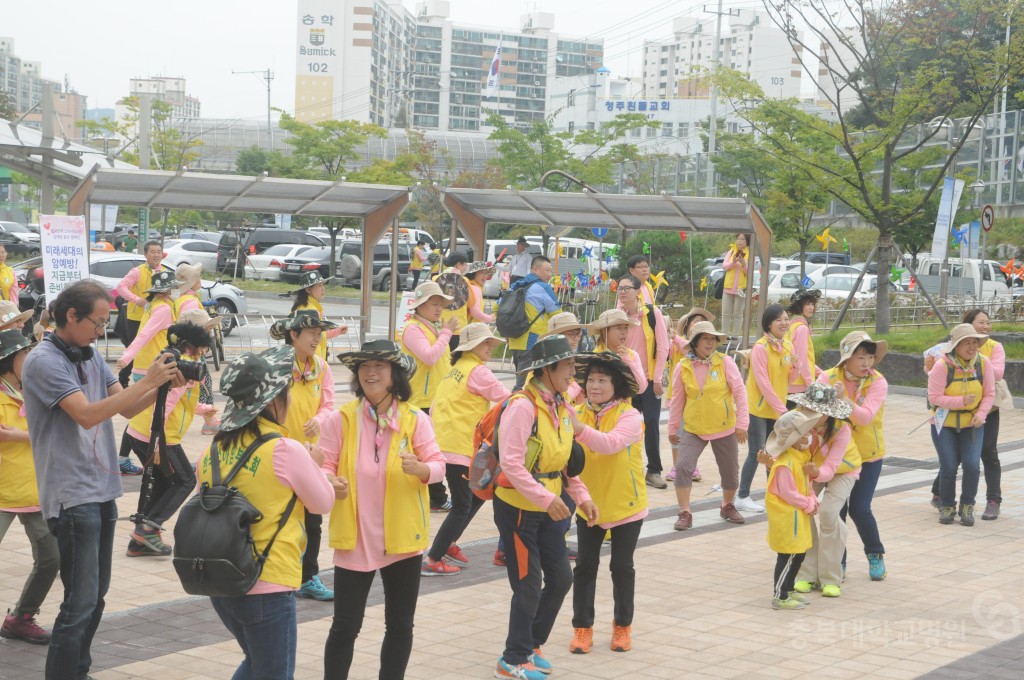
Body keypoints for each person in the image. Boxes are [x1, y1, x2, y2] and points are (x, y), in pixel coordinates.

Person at [22, 280, 181, 680]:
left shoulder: (88, 355)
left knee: (97, 598)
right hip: (71, 496)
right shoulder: (44, 361)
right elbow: (88, 414)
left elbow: (125, 407)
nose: (101, 331)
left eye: (106, 322)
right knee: (79, 601)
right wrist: (147, 381)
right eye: (97, 322)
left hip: (101, 491)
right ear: (70, 316)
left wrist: (163, 383)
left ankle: (79, 670)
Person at [198, 346, 338, 680]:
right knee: (274, 672)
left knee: (256, 664)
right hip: (268, 583)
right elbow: (323, 503)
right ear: (274, 400)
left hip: (221, 581)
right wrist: (316, 467)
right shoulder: (284, 449)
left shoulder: (214, 449)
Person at [320, 340, 445, 680]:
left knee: (401, 625)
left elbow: (438, 464)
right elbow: (324, 465)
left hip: (402, 539)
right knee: (345, 626)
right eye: (364, 367)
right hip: (355, 538)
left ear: (394, 374)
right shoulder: (340, 419)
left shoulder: (415, 419)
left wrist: (423, 470)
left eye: (379, 366)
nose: (370, 372)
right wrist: (329, 480)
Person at [492, 335, 597, 680]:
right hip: (520, 508)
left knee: (561, 577)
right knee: (527, 583)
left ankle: (531, 644)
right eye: (567, 366)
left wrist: (581, 497)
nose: (573, 373)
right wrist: (546, 498)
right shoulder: (522, 406)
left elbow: (565, 464)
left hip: (552, 504)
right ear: (547, 369)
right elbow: (511, 464)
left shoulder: (561, 404)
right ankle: (512, 659)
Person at [566, 352, 644, 654]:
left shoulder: (630, 416)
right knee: (585, 566)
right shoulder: (576, 411)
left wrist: (578, 427)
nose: (595, 385)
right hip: (588, 504)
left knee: (622, 567)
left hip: (627, 504)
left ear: (617, 386)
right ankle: (582, 628)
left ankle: (622, 626)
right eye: (591, 380)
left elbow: (610, 444)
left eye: (602, 380)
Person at [422, 323, 510, 576]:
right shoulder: (478, 371)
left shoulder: (454, 370)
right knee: (462, 504)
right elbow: (507, 398)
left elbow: (435, 406)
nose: (491, 348)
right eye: (486, 343)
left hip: (448, 444)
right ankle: (433, 558)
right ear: (472, 346)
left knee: (478, 495)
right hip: (462, 447)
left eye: (491, 343)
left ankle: (449, 543)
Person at [120, 319, 214, 558]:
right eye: (202, 347)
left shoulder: (168, 359)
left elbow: (179, 400)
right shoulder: (183, 367)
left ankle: (139, 542)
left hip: (138, 432)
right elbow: (167, 402)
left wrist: (203, 409)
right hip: (159, 435)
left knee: (163, 483)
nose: (204, 351)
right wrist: (158, 440)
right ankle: (148, 527)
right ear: (191, 346)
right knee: (184, 480)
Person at [269, 309, 339, 602]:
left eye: (319, 333)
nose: (316, 338)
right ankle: (276, 575)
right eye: (311, 333)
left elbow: (329, 403)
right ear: (294, 335)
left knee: (312, 519)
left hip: (309, 454)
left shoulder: (321, 367)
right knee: (279, 516)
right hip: (278, 452)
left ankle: (308, 577)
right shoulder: (277, 365)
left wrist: (320, 420)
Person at [0, 329, 59, 645]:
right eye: (26, 356)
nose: (33, 361)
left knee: (52, 557)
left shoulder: (36, 391)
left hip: (35, 491)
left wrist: (19, 436)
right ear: (9, 362)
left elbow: (56, 432)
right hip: (2, 492)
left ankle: (21, 617)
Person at [818, 331, 890, 581]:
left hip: (868, 455)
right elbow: (814, 412)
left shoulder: (878, 381)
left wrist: (843, 398)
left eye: (870, 357)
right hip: (836, 456)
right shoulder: (826, 377)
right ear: (845, 358)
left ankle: (875, 554)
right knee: (836, 510)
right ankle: (840, 560)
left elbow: (866, 416)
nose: (866, 363)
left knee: (860, 509)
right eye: (860, 357)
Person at [667, 321, 749, 530]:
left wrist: (742, 423)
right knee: (683, 466)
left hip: (724, 426)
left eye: (713, 339)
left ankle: (727, 505)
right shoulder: (682, 367)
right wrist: (672, 428)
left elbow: (740, 392)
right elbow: (677, 400)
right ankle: (684, 511)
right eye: (705, 338)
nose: (710, 342)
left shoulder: (725, 362)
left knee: (730, 470)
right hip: (693, 428)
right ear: (694, 342)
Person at [928, 309, 1005, 520]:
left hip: (973, 423)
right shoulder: (941, 366)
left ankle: (967, 506)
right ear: (956, 345)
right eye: (967, 343)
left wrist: (981, 414)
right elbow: (934, 397)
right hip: (943, 424)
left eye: (975, 342)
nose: (972, 347)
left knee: (972, 465)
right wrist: (959, 402)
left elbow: (989, 393)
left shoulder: (983, 363)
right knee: (949, 465)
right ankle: (947, 505)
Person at [789, 383, 856, 599]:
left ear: (829, 414)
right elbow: (782, 448)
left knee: (828, 514)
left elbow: (831, 468)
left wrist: (816, 472)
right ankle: (807, 575)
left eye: (820, 412)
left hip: (843, 470)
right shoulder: (795, 419)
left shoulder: (841, 429)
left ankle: (831, 579)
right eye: (809, 409)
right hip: (810, 470)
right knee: (803, 510)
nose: (813, 415)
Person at [399, 280, 458, 512]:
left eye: (441, 304)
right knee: (426, 449)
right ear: (420, 305)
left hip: (434, 399)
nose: (438, 308)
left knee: (429, 448)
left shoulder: (430, 327)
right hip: (419, 400)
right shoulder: (413, 328)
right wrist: (447, 333)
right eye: (433, 303)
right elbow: (429, 356)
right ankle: (438, 496)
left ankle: (435, 494)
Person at [115, 269, 179, 474]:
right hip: (153, 366)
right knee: (141, 417)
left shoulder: (155, 305)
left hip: (146, 363)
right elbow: (145, 334)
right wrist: (126, 357)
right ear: (168, 289)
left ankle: (126, 456)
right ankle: (132, 456)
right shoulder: (163, 309)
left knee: (141, 415)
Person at [736, 304, 795, 514]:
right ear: (768, 324)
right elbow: (763, 383)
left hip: (776, 409)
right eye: (779, 320)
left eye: (786, 319)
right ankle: (742, 496)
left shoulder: (787, 345)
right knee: (756, 452)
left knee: (774, 453)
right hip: (758, 409)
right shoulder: (760, 348)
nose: (784, 323)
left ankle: (774, 495)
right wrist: (783, 410)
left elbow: (793, 373)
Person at [761, 409, 821, 610]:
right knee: (787, 556)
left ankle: (789, 587)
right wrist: (809, 503)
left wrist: (811, 498)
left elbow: (805, 483)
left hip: (797, 516)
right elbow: (789, 493)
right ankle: (780, 595)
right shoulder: (785, 463)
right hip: (788, 518)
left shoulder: (800, 457)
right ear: (792, 439)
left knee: (799, 553)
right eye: (803, 435)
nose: (808, 437)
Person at [616, 274, 669, 489]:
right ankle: (627, 468)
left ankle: (654, 470)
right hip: (625, 381)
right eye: (619, 288)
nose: (622, 292)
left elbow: (663, 347)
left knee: (652, 425)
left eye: (626, 288)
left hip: (648, 380)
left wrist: (657, 378)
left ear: (638, 291)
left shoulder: (652, 314)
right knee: (624, 425)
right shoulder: (617, 316)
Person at [664, 308, 714, 483]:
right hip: (677, 395)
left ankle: (691, 464)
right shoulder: (676, 343)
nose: (698, 324)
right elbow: (665, 352)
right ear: (686, 327)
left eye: (702, 322)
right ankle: (676, 465)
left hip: (695, 396)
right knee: (677, 430)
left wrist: (675, 338)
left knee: (692, 431)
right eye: (695, 322)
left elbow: (688, 351)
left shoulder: (688, 345)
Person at [174, 263, 220, 434]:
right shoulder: (190, 301)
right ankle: (210, 421)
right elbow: (193, 328)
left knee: (203, 382)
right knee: (204, 383)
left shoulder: (181, 298)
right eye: (196, 278)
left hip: (189, 349)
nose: (199, 280)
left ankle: (210, 419)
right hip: (192, 351)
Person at [115, 240, 168, 386]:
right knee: (135, 348)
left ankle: (150, 380)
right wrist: (137, 300)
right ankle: (122, 382)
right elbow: (121, 287)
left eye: (159, 252)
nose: (156, 255)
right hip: (137, 318)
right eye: (153, 252)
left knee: (153, 350)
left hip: (157, 318)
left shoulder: (165, 273)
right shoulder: (137, 271)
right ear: (145, 254)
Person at [507, 256, 561, 390]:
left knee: (521, 380)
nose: (549, 275)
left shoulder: (516, 285)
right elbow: (558, 314)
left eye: (551, 272)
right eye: (547, 270)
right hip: (533, 341)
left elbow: (498, 306)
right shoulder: (543, 287)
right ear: (535, 269)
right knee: (526, 385)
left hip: (514, 341)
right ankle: (513, 407)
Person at [290, 271, 348, 362]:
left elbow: (318, 334)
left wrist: (337, 331)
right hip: (311, 364)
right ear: (308, 290)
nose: (323, 289)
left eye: (323, 285)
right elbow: (307, 339)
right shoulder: (308, 311)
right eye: (319, 286)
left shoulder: (312, 308)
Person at [589, 309, 648, 394]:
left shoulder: (632, 355)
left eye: (626, 328)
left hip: (624, 406)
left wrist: (627, 360)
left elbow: (641, 388)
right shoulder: (594, 356)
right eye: (619, 328)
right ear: (604, 331)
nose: (624, 333)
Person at [784, 288, 822, 397]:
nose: (811, 307)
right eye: (808, 304)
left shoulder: (791, 326)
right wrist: (810, 382)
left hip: (790, 381)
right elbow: (802, 359)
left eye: (812, 304)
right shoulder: (802, 328)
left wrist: (821, 373)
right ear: (800, 306)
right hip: (799, 384)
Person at [436, 252, 471, 353]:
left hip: (440, 327)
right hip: (458, 327)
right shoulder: (465, 281)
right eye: (465, 265)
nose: (465, 268)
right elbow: (471, 304)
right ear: (458, 264)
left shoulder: (436, 279)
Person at [720, 233, 750, 338]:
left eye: (743, 239)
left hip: (742, 288)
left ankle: (736, 335)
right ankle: (724, 334)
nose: (740, 242)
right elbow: (724, 266)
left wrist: (743, 263)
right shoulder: (731, 251)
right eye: (738, 239)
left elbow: (749, 273)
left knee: (738, 313)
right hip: (728, 287)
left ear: (747, 242)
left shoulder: (750, 254)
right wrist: (733, 262)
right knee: (726, 313)